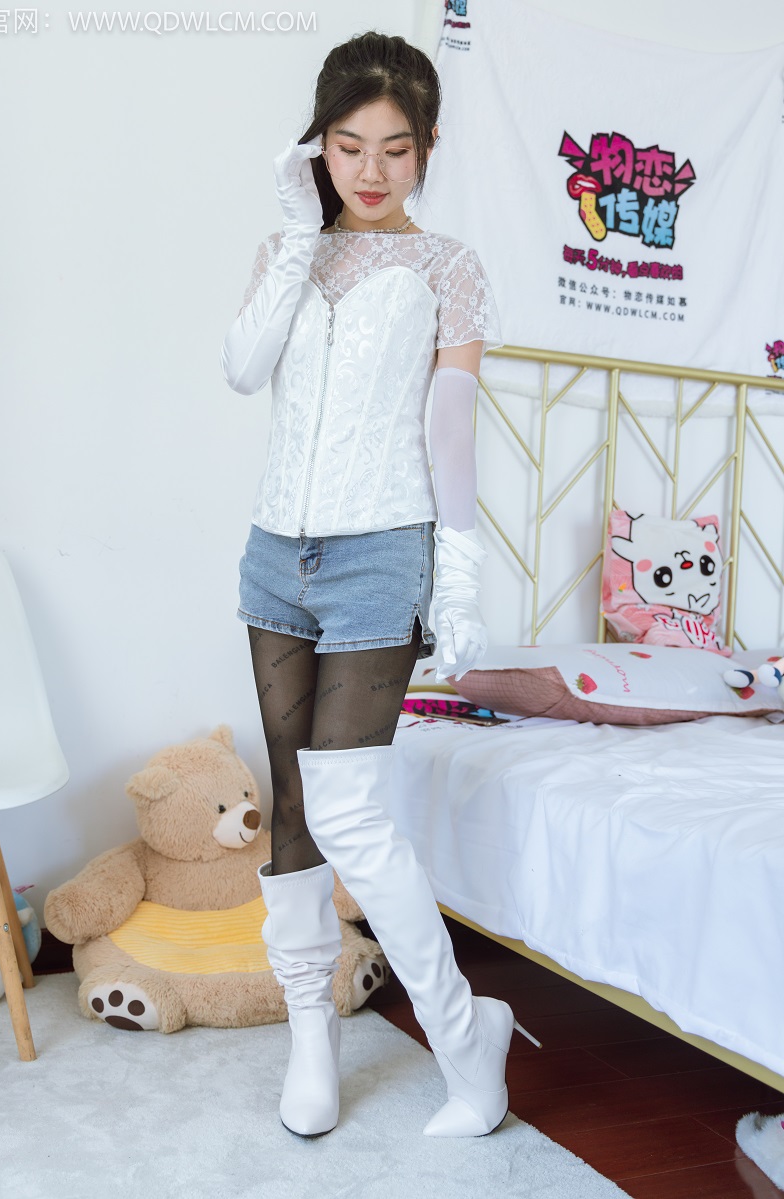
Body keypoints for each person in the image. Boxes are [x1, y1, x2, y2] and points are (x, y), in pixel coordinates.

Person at [220, 30, 539, 1140]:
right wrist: (298, 237)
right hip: (275, 554)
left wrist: (460, 581)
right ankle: (310, 1036)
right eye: (347, 145)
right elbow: (241, 369)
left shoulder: (448, 267)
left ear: (427, 148)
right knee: (294, 803)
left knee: (351, 808)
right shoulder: (287, 251)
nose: (369, 170)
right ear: (316, 144)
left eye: (394, 149)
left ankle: (463, 1036)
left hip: (380, 555)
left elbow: (450, 436)